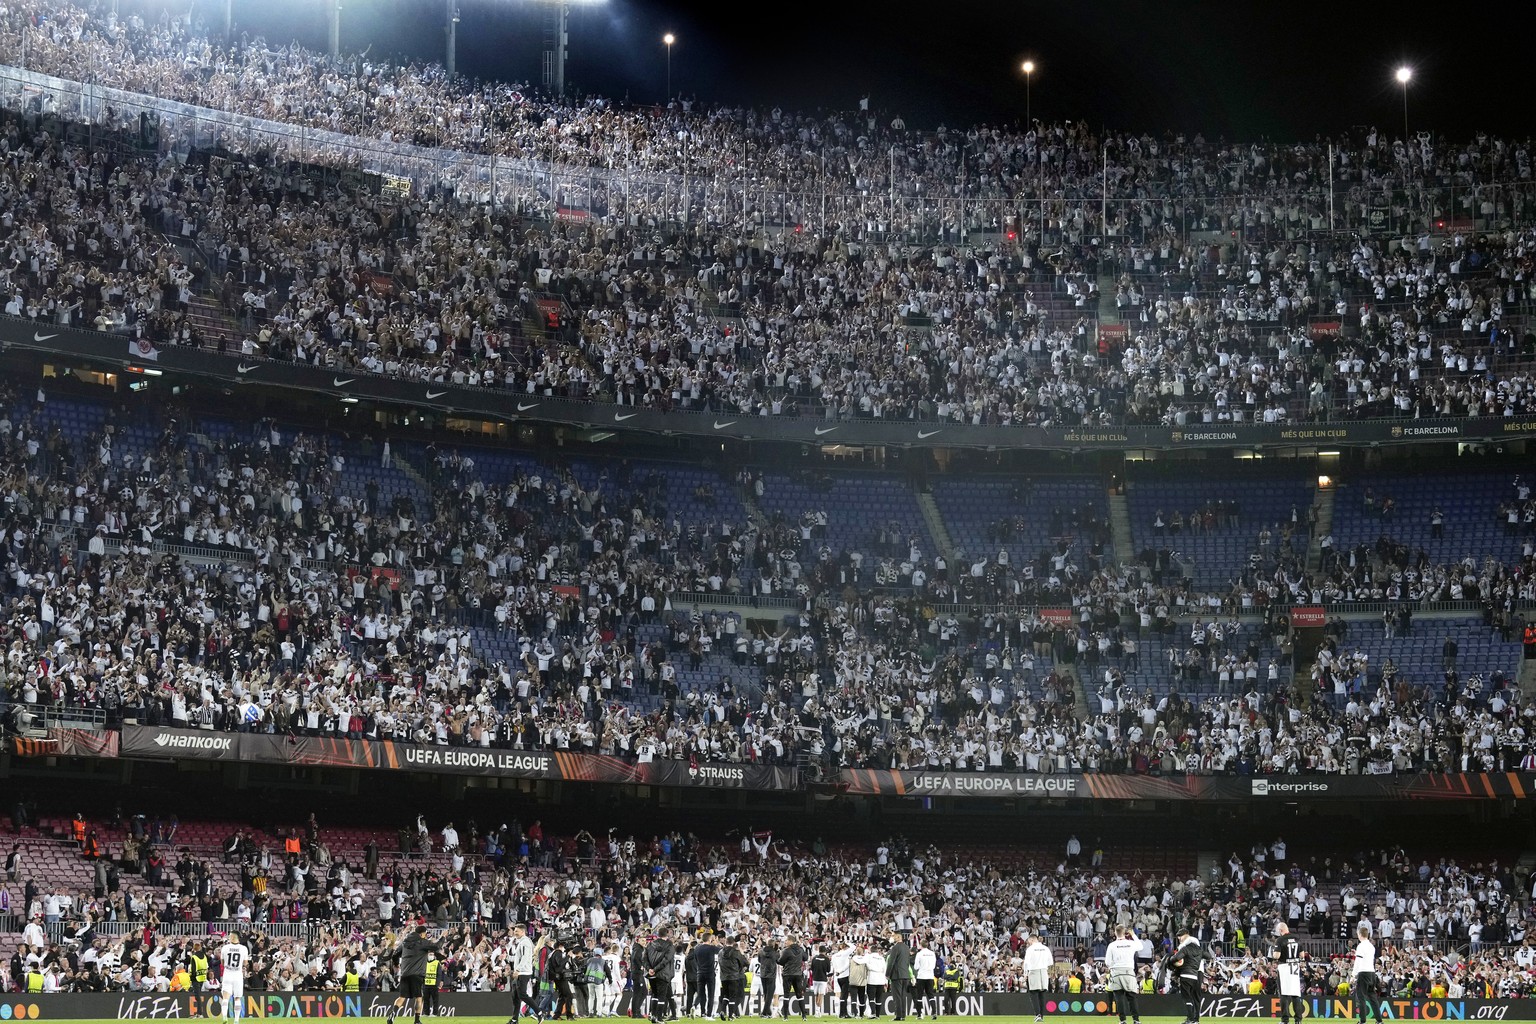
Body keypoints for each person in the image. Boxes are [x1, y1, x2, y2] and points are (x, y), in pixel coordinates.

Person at [391, 924, 441, 1024]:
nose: (426, 935)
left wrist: (396, 964)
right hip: (417, 974)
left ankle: (392, 1015)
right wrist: (443, 937)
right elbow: (437, 946)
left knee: (402, 997)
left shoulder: (405, 942)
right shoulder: (422, 942)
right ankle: (417, 1020)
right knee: (419, 997)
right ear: (422, 933)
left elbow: (395, 954)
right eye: (425, 934)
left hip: (404, 974)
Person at [506, 923, 543, 1024]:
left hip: (523, 972)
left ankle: (539, 1013)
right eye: (515, 931)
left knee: (522, 995)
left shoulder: (525, 942)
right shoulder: (521, 942)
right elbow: (519, 958)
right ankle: (514, 1019)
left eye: (516, 931)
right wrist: (508, 957)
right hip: (521, 971)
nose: (515, 932)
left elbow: (525, 958)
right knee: (515, 996)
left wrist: (518, 970)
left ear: (523, 931)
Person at [1105, 925, 1141, 1024]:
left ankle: (1123, 1020)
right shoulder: (1131, 943)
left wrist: (1114, 965)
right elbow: (1140, 946)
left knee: (1119, 998)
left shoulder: (1111, 945)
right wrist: (1133, 935)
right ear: (1125, 933)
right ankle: (1136, 1020)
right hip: (1129, 972)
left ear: (1116, 933)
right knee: (1132, 997)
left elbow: (1107, 962)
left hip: (1116, 972)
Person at [1167, 928, 1204, 1024]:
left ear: (1187, 934)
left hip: (1197, 970)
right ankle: (1191, 1018)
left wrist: (1178, 951)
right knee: (1190, 996)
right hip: (1191, 970)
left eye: (1181, 935)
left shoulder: (1192, 940)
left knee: (1195, 996)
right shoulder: (1186, 945)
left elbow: (1182, 949)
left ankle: (1195, 1019)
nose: (1179, 938)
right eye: (1178, 936)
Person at [1350, 922, 1383, 1024]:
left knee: (1361, 997)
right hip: (1372, 973)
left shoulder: (1361, 946)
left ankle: (1363, 1021)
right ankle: (1379, 1021)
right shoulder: (1371, 946)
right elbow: (1366, 958)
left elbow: (1358, 961)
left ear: (1360, 934)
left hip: (1363, 973)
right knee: (1373, 997)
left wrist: (1353, 975)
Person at [1271, 923, 1304, 1024]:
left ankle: (1285, 1020)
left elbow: (1276, 956)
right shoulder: (1297, 938)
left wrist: (1273, 952)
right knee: (1295, 994)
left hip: (1284, 968)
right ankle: (1298, 1020)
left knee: (1284, 995)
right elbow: (1302, 955)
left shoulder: (1280, 940)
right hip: (1294, 968)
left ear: (1281, 930)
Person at [644, 926, 677, 1024]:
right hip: (663, 974)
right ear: (667, 934)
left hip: (651, 974)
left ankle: (653, 1015)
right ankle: (659, 1018)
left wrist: (649, 969)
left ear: (658, 934)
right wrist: (655, 969)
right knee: (662, 997)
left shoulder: (650, 945)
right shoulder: (669, 945)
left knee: (654, 995)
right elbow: (666, 960)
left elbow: (644, 959)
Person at [218, 930, 251, 1023]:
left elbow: (222, 963)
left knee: (225, 997)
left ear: (233, 937)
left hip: (228, 973)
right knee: (237, 998)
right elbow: (245, 964)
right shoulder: (244, 948)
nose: (229, 937)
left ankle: (224, 1017)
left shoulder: (225, 948)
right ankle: (236, 1020)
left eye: (230, 935)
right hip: (237, 974)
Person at [1023, 933, 1053, 1023]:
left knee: (1033, 994)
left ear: (1032, 940)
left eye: (1029, 941)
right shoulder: (1046, 948)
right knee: (1042, 995)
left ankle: (1037, 1015)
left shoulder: (1030, 949)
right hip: (1044, 972)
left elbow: (1026, 962)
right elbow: (1050, 962)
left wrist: (1025, 974)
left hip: (1034, 971)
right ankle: (1042, 1016)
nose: (1028, 943)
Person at [778, 934, 808, 1020]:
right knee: (799, 995)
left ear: (791, 941)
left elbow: (780, 961)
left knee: (786, 995)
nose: (785, 942)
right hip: (798, 975)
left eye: (786, 940)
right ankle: (804, 1016)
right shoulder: (800, 950)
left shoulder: (787, 951)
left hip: (787, 974)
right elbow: (805, 958)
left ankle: (785, 1017)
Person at [720, 935, 750, 1020]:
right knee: (733, 996)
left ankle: (722, 1010)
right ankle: (730, 1016)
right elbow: (745, 963)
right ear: (733, 943)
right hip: (734, 977)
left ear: (726, 942)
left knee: (726, 995)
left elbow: (720, 963)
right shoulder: (736, 952)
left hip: (723, 977)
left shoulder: (720, 952)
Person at [884, 931, 912, 1022]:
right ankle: (903, 1015)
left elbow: (891, 962)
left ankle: (898, 1016)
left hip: (896, 975)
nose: (892, 937)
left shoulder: (895, 947)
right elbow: (907, 962)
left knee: (897, 997)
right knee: (903, 996)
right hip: (905, 975)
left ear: (898, 937)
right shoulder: (906, 947)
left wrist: (887, 974)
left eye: (893, 936)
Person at [911, 937, 936, 1019]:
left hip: (921, 976)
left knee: (919, 996)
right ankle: (934, 1013)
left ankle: (919, 1015)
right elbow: (933, 966)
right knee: (931, 995)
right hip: (930, 976)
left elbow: (916, 967)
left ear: (921, 945)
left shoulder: (919, 954)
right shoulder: (932, 953)